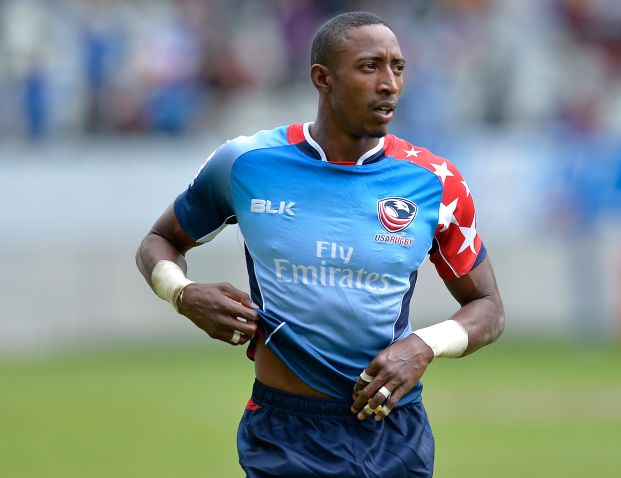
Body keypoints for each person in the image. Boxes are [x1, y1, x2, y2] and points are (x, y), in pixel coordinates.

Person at [135, 11, 504, 478]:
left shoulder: (435, 183)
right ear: (322, 78)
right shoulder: (247, 163)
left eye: (398, 67)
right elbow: (158, 241)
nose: (390, 84)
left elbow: (489, 307)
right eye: (371, 67)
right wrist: (182, 293)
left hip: (394, 431)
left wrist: (424, 345)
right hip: (284, 434)